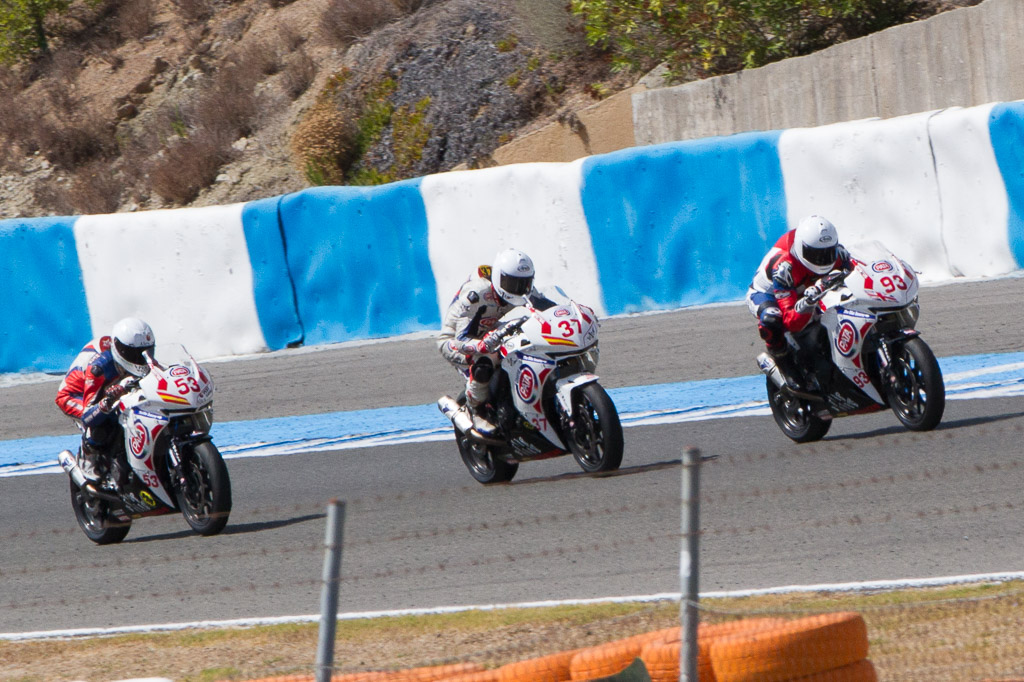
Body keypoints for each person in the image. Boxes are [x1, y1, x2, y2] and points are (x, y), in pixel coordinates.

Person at [439, 248, 537, 436]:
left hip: (491, 330)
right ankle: (476, 411)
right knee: (485, 361)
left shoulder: (525, 292)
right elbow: (460, 340)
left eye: (524, 284)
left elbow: (544, 305)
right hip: (455, 340)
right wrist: (483, 345)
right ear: (499, 279)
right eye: (512, 283)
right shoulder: (477, 294)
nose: (518, 289)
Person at [747, 215, 852, 390]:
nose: (823, 260)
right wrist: (808, 303)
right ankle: (784, 362)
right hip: (768, 294)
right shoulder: (784, 268)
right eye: (816, 255)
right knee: (772, 319)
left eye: (827, 253)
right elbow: (792, 321)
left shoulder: (839, 254)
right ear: (802, 249)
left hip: (808, 287)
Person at [56, 317, 156, 485]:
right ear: (120, 350)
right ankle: (89, 457)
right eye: (134, 354)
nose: (140, 359)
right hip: (75, 395)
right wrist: (108, 401)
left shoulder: (133, 355)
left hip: (110, 386)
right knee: (104, 420)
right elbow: (89, 412)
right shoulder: (99, 367)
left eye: (145, 352)